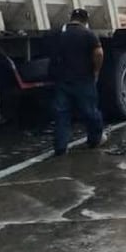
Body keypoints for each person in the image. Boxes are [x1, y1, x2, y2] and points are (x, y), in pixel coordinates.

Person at [49, 8, 106, 155]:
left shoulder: (59, 35)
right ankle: (94, 140)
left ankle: (60, 148)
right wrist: (96, 70)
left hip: (63, 81)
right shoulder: (89, 35)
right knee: (90, 111)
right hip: (83, 79)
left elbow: (53, 55)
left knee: (62, 114)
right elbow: (98, 53)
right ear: (85, 20)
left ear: (71, 18)